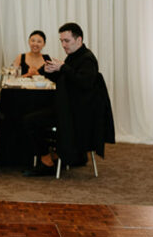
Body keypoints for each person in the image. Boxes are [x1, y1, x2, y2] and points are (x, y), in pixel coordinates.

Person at [24, 22, 115, 176]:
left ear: (78, 40)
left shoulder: (87, 59)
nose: (63, 45)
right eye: (61, 41)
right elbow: (65, 78)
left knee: (30, 121)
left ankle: (47, 162)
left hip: (75, 115)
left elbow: (84, 82)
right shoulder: (73, 57)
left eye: (67, 41)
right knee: (31, 118)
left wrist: (63, 67)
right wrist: (48, 71)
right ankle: (52, 157)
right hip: (66, 109)